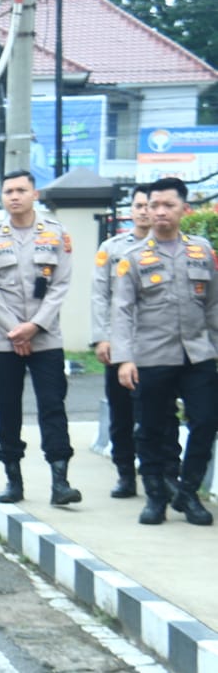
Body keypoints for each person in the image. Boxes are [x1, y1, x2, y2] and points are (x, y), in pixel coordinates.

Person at [111, 176, 218, 526]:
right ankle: (156, 495)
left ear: (184, 210)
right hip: (152, 356)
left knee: (205, 421)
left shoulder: (202, 251)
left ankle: (187, 493)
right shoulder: (132, 258)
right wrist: (124, 359)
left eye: (167, 205)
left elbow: (213, 306)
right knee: (151, 428)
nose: (159, 212)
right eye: (154, 205)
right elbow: (122, 311)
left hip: (197, 355)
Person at [0, 169, 81, 506]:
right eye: (8, 191)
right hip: (4, 341)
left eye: (21, 190)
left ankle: (60, 482)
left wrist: (33, 326)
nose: (15, 196)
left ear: (35, 194)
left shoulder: (56, 235)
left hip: (46, 338)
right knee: (7, 408)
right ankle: (13, 479)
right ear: (2, 197)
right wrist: (15, 330)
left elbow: (61, 285)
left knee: (52, 406)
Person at [91, 185, 180, 499]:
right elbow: (100, 296)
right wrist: (102, 338)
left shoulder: (173, 247)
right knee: (121, 414)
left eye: (150, 205)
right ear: (131, 210)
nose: (145, 211)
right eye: (140, 205)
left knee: (163, 414)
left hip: (160, 347)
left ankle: (169, 475)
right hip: (121, 345)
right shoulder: (112, 248)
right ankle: (126, 474)